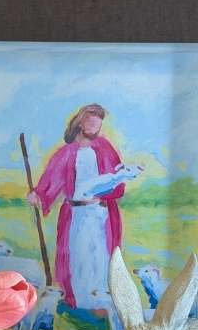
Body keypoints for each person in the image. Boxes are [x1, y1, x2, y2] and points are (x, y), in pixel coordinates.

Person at [27, 104, 140, 314]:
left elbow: (118, 182)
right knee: (78, 257)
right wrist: (38, 195)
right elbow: (51, 179)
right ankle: (79, 302)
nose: (96, 128)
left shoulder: (105, 148)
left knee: (100, 256)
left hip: (101, 213)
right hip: (76, 215)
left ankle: (102, 303)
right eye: (92, 123)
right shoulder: (66, 152)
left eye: (99, 124)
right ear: (80, 123)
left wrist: (117, 180)